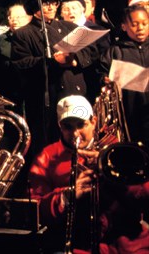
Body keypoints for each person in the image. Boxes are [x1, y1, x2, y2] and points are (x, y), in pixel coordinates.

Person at [28, 94, 149, 253]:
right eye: (68, 126)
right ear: (59, 126)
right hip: (77, 245)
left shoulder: (117, 148)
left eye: (81, 125)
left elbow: (145, 197)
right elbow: (34, 211)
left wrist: (111, 174)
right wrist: (67, 196)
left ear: (93, 122)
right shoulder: (47, 157)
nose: (75, 134)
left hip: (127, 244)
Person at [11, 0, 96, 158]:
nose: (50, 7)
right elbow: (21, 64)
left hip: (75, 92)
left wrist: (74, 60)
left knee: (81, 144)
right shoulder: (23, 33)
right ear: (35, 5)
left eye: (54, 3)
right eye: (45, 3)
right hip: (47, 99)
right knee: (50, 150)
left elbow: (91, 51)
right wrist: (51, 62)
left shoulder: (69, 27)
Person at [99, 4, 149, 146]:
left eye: (145, 24)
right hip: (130, 111)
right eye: (134, 24)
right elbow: (101, 72)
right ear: (124, 26)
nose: (140, 28)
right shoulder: (115, 51)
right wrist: (105, 80)